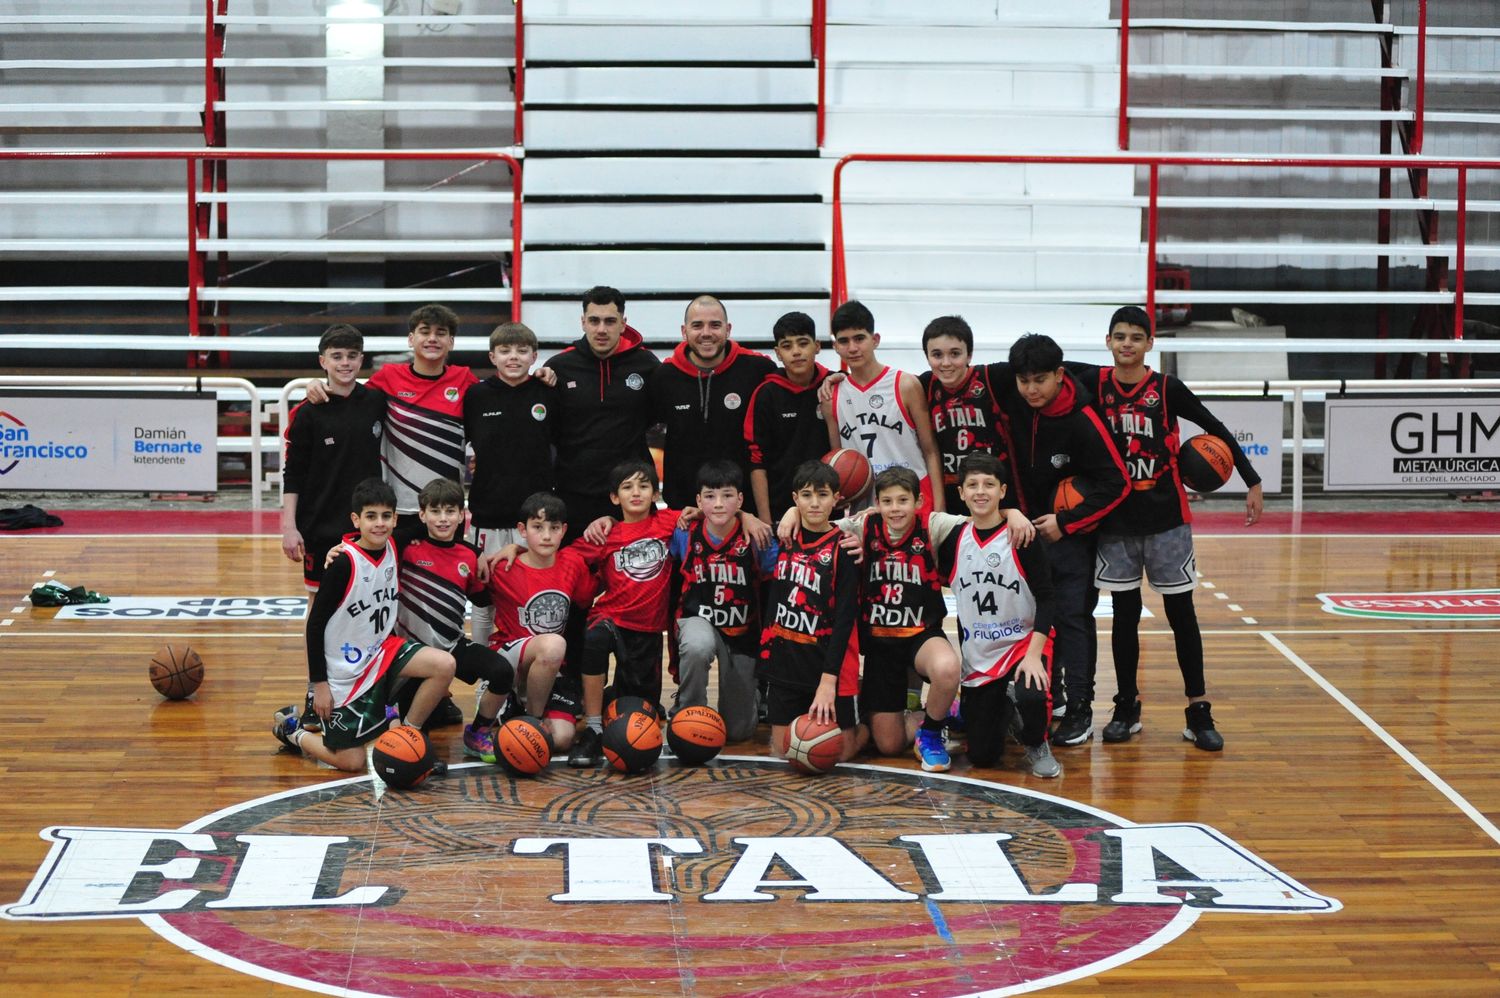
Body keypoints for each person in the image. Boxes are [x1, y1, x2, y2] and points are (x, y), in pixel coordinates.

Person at [1087, 306, 1262, 751]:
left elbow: (1215, 428)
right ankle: (1126, 705)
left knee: (1181, 615)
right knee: (1125, 618)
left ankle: (1198, 711)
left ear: (1150, 344)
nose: (1127, 344)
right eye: (1119, 336)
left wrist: (1252, 480)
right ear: (1107, 342)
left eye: (1136, 337)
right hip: (1117, 521)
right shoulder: (1093, 384)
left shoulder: (1167, 388)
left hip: (1166, 519)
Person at [272, 478, 457, 772]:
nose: (379, 524)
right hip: (344, 673)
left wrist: (495, 551)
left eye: (386, 516)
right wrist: (318, 685)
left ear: (396, 518)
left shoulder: (394, 544)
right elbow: (314, 626)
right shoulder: (343, 564)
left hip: (382, 653)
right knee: (352, 761)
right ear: (356, 519)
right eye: (371, 517)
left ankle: (410, 736)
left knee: (444, 665)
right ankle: (294, 731)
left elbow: (436, 523)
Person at [1004, 333, 1130, 747]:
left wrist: (1067, 522)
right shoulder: (1016, 399)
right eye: (1023, 381)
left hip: (1071, 537)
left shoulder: (1082, 419)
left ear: (1060, 375)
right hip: (1023, 533)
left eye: (1040, 379)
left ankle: (1080, 709)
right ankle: (1049, 697)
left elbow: (1118, 483)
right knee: (1030, 618)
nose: (1031, 389)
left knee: (1073, 619)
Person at [371, 478, 519, 763]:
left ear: (462, 515)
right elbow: (370, 542)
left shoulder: (468, 555)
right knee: (417, 746)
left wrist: (502, 559)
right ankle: (403, 719)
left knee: (502, 671)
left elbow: (482, 600)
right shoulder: (405, 548)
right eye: (435, 511)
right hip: (409, 655)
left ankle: (477, 733)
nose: (443, 518)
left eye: (450, 511)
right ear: (422, 514)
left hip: (451, 647)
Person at [935, 454, 1061, 777]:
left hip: (1023, 645)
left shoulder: (1022, 537)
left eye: (989, 485)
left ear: (1002, 490)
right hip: (979, 656)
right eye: (972, 485)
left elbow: (1047, 598)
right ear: (961, 492)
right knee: (983, 756)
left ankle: (1036, 741)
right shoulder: (952, 540)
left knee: (1031, 694)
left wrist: (1034, 655)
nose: (981, 492)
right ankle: (1005, 708)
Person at [851, 467, 961, 772]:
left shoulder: (933, 525)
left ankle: (931, 733)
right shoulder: (864, 525)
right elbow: (817, 521)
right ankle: (942, 710)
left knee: (948, 668)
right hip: (880, 644)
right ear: (877, 503)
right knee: (888, 746)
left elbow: (982, 518)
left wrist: (1013, 513)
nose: (895, 508)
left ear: (919, 500)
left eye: (903, 500)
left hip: (920, 635)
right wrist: (794, 511)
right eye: (887, 501)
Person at [761, 460, 868, 762]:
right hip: (787, 662)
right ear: (795, 499)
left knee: (839, 755)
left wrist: (828, 682)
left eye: (822, 495)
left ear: (837, 498)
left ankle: (867, 726)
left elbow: (846, 619)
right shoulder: (781, 538)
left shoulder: (844, 549)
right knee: (784, 752)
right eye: (806, 495)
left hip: (830, 664)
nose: (815, 503)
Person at [463, 320, 558, 646]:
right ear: (493, 356)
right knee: (483, 598)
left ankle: (533, 674)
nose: (513, 357)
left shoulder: (548, 392)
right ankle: (484, 678)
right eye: (505, 350)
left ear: (534, 356)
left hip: (536, 519)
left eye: (521, 350)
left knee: (533, 598)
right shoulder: (475, 395)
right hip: (488, 516)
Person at [670, 460, 777, 743]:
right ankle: (688, 712)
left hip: (742, 631)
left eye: (727, 496)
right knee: (697, 645)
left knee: (739, 732)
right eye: (709, 497)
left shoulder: (757, 537)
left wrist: (749, 517)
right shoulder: (684, 531)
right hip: (699, 621)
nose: (718, 504)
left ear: (740, 499)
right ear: (698, 500)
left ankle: (750, 694)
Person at [483, 491, 596, 755]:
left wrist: (609, 522)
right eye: (538, 527)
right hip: (511, 661)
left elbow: (588, 594)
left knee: (561, 740)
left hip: (550, 668)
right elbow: (465, 573)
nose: (546, 536)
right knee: (555, 644)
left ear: (564, 530)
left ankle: (529, 715)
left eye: (554, 528)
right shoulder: (503, 567)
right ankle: (529, 718)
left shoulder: (572, 563)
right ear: (522, 530)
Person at [545, 286, 660, 541]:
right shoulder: (559, 367)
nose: (601, 329)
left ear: (623, 323)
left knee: (634, 577)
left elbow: (657, 419)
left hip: (631, 496)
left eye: (610, 321)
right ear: (583, 322)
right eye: (594, 321)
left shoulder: (647, 366)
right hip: (574, 496)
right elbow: (546, 431)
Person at [280, 324, 386, 592]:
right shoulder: (307, 413)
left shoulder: (376, 401)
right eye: (337, 356)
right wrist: (289, 529)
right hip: (319, 527)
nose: (345, 363)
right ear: (322, 361)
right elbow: (292, 475)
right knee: (319, 607)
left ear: (361, 360)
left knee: (366, 602)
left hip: (368, 527)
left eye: (352, 355)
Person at [650, 294, 776, 509]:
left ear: (728, 329)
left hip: (744, 512)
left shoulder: (758, 369)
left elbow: (800, 381)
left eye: (715, 325)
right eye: (697, 325)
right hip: (682, 511)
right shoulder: (664, 376)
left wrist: (832, 377)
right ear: (684, 331)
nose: (706, 333)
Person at [824, 300, 945, 513]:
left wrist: (940, 509)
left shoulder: (905, 384)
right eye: (844, 341)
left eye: (859, 338)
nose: (852, 348)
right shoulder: (831, 396)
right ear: (835, 347)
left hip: (914, 500)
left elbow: (931, 451)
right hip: (864, 508)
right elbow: (837, 461)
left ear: (875, 340)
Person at [918, 315, 1018, 515]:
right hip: (953, 494)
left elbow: (1037, 364)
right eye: (937, 355)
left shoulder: (992, 377)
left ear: (969, 354)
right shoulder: (925, 384)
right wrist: (837, 377)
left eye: (955, 354)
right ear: (927, 356)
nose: (946, 363)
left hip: (996, 493)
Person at [744, 310, 832, 524]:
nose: (796, 352)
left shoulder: (835, 386)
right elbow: (757, 462)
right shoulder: (766, 393)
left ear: (817, 346)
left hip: (830, 512)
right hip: (780, 512)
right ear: (777, 353)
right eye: (787, 346)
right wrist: (765, 520)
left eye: (803, 343)